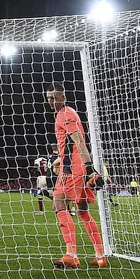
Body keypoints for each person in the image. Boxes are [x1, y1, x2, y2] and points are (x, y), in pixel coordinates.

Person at [45, 82, 106, 268]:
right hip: (73, 165)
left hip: (73, 168)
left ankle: (71, 254)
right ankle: (100, 256)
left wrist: (88, 169)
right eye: (48, 98)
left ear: (63, 97)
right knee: (83, 211)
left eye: (55, 98)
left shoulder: (65, 114)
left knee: (58, 204)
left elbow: (78, 141)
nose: (51, 101)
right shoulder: (69, 113)